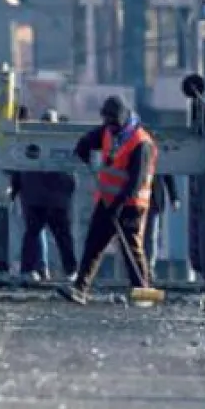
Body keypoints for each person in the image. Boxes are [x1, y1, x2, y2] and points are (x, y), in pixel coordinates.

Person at [59, 95, 158, 305]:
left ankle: (142, 291)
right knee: (94, 244)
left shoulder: (141, 143)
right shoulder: (108, 131)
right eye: (107, 122)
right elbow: (88, 140)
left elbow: (135, 182)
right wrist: (83, 148)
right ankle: (80, 288)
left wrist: (119, 206)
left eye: (113, 123)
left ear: (122, 118)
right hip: (107, 200)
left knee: (130, 246)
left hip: (131, 204)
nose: (109, 127)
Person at [9, 110, 78, 283]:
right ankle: (63, 271)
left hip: (46, 198)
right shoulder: (57, 144)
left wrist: (17, 190)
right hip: (46, 199)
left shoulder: (36, 142)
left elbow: (20, 167)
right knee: (46, 236)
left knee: (53, 237)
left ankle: (65, 270)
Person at [144, 173, 179, 276]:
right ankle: (140, 266)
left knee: (151, 236)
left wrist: (174, 197)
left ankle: (148, 267)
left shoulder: (160, 159)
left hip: (154, 201)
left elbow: (169, 177)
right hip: (138, 202)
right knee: (140, 237)